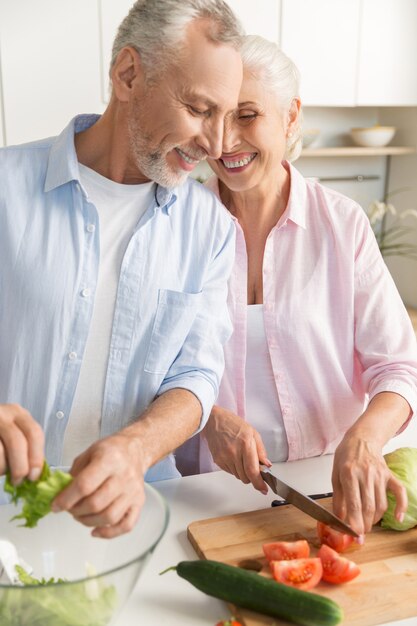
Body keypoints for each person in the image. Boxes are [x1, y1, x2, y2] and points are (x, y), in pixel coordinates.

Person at [0, 0, 244, 538]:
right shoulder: (5, 190)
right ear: (129, 74)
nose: (219, 143)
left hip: (133, 518)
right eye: (201, 109)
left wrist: (136, 449)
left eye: (228, 116)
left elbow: (195, 376)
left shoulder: (211, 228)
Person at [175, 35, 417, 537]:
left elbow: (399, 368)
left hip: (328, 480)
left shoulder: (342, 224)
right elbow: (143, 368)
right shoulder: (174, 227)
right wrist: (207, 417)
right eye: (213, 117)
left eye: (246, 115)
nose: (225, 141)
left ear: (290, 117)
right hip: (207, 492)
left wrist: (364, 440)